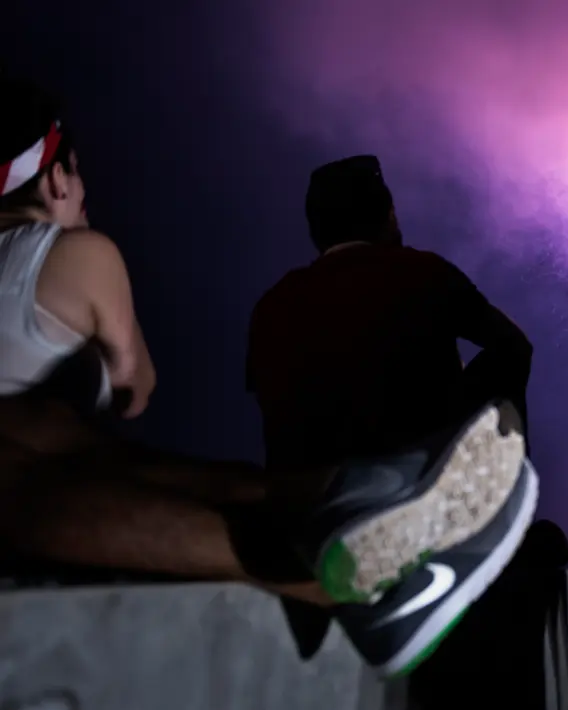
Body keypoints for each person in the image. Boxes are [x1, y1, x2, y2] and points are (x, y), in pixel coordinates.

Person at [0, 77, 529, 678]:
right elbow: (134, 391)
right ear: (57, 178)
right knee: (59, 453)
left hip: (279, 466)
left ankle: (353, 499)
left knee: (51, 439)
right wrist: (481, 413)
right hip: (353, 468)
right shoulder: (425, 273)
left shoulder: (273, 304)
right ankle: (352, 547)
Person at [246, 154, 538, 675]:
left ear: (316, 230)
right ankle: (497, 510)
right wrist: (457, 408)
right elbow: (515, 347)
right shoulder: (423, 273)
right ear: (387, 214)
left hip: (304, 517)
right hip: (410, 488)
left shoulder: (272, 304)